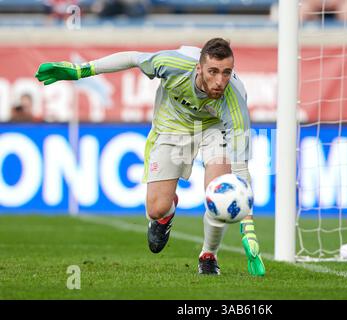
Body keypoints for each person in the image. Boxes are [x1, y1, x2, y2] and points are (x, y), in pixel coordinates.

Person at [34, 38, 265, 276]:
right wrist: (81, 70)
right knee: (156, 208)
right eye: (213, 72)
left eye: (226, 73)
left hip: (214, 128)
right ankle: (165, 216)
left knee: (218, 191)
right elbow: (133, 58)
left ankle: (208, 255)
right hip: (172, 124)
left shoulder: (235, 103)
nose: (220, 81)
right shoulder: (172, 64)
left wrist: (248, 228)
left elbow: (240, 173)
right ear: (199, 67)